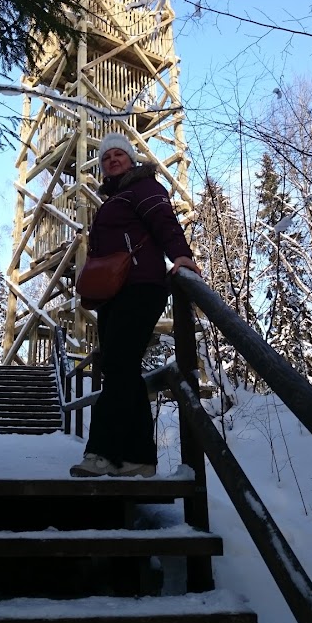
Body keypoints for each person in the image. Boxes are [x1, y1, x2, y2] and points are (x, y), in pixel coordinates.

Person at [70, 132, 201, 478]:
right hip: (115, 293)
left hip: (141, 286)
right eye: (106, 157)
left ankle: (101, 452)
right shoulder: (115, 198)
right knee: (121, 369)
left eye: (119, 155)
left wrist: (181, 256)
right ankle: (140, 457)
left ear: (131, 160)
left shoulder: (144, 187)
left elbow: (163, 221)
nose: (112, 160)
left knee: (118, 365)